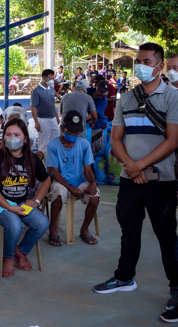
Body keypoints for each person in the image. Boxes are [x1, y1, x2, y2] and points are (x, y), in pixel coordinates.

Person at [98, 43, 178, 319]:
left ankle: (176, 288)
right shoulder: (126, 99)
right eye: (138, 61)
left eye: (146, 61)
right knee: (129, 229)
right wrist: (130, 167)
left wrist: (139, 165)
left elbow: (173, 140)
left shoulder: (173, 97)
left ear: (160, 66)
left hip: (162, 179)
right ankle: (124, 278)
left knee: (166, 235)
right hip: (130, 178)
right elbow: (116, 138)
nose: (140, 66)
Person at [0, 118, 51, 278]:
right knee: (15, 225)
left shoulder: (32, 158)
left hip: (21, 202)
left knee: (42, 223)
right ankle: (8, 256)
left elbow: (46, 180)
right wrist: (9, 207)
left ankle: (21, 251)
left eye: (16, 134)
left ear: (25, 138)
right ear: (3, 136)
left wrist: (37, 200)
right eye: (8, 134)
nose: (12, 138)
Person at [44, 110, 100, 246]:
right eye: (71, 132)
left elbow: (87, 169)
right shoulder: (52, 145)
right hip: (60, 181)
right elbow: (55, 173)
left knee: (95, 197)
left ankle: (84, 229)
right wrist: (70, 188)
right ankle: (53, 227)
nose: (74, 135)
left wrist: (92, 182)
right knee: (58, 195)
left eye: (77, 132)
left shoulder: (84, 144)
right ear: (62, 128)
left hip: (79, 181)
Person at [30, 69, 60, 152]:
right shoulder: (36, 91)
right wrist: (36, 122)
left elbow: (53, 104)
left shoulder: (51, 88)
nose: (52, 81)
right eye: (50, 79)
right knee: (44, 143)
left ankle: (53, 161)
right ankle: (43, 163)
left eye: (53, 79)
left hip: (53, 119)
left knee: (56, 141)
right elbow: (33, 107)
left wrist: (57, 117)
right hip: (43, 120)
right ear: (44, 78)